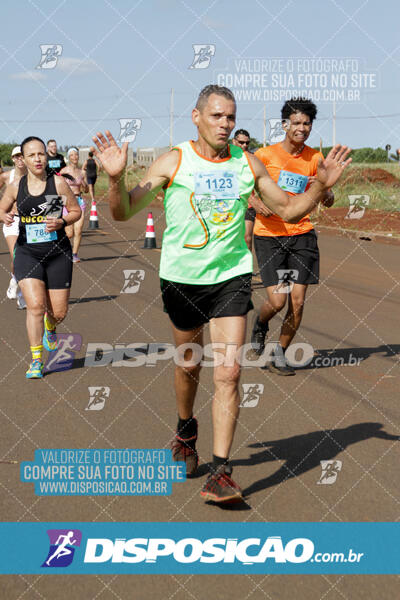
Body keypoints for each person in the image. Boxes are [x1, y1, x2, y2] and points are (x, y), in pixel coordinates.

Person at [92, 85, 350, 503]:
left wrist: (320, 188)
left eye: (230, 117)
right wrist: (116, 177)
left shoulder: (247, 164)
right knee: (188, 366)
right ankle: (184, 428)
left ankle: (221, 471)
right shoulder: (174, 161)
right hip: (182, 279)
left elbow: (287, 210)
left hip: (230, 278)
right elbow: (123, 212)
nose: (225, 124)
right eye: (216, 116)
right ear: (196, 117)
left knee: (229, 372)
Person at [251, 98, 335, 375]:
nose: (302, 128)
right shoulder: (265, 155)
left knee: (296, 301)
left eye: (307, 123)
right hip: (269, 235)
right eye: (296, 123)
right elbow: (246, 188)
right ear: (285, 124)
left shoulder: (315, 159)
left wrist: (324, 189)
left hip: (301, 236)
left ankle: (280, 353)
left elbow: (329, 200)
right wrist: (253, 201)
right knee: (277, 301)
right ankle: (261, 323)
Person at [0, 136, 81, 379]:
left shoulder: (57, 184)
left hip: (57, 252)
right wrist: (3, 216)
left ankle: (51, 325)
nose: (37, 158)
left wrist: (61, 220)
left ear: (47, 157)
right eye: (32, 155)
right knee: (35, 306)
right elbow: (1, 207)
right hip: (27, 252)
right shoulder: (16, 186)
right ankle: (36, 361)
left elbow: (76, 211)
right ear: (23, 159)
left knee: (58, 312)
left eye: (41, 154)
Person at [231, 129, 272, 251]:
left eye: (247, 143)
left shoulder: (253, 159)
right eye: (241, 142)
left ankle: (246, 268)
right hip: (229, 205)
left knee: (247, 238)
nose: (244, 145)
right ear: (234, 141)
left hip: (248, 205)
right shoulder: (225, 157)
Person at [0, 146, 27, 308]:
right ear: (12, 159)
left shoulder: (35, 177)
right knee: (17, 256)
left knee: (28, 261)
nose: (19, 159)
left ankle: (15, 281)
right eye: (16, 156)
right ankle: (21, 293)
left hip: (31, 223)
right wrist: (3, 214)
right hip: (12, 222)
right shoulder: (5, 176)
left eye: (22, 156)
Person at [60, 147, 88, 263]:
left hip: (79, 200)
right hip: (66, 202)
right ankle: (61, 249)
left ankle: (75, 254)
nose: (74, 157)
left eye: (76, 155)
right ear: (68, 157)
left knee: (79, 230)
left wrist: (84, 184)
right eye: (72, 155)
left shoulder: (82, 172)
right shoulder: (63, 171)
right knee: (69, 233)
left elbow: (86, 189)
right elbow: (57, 186)